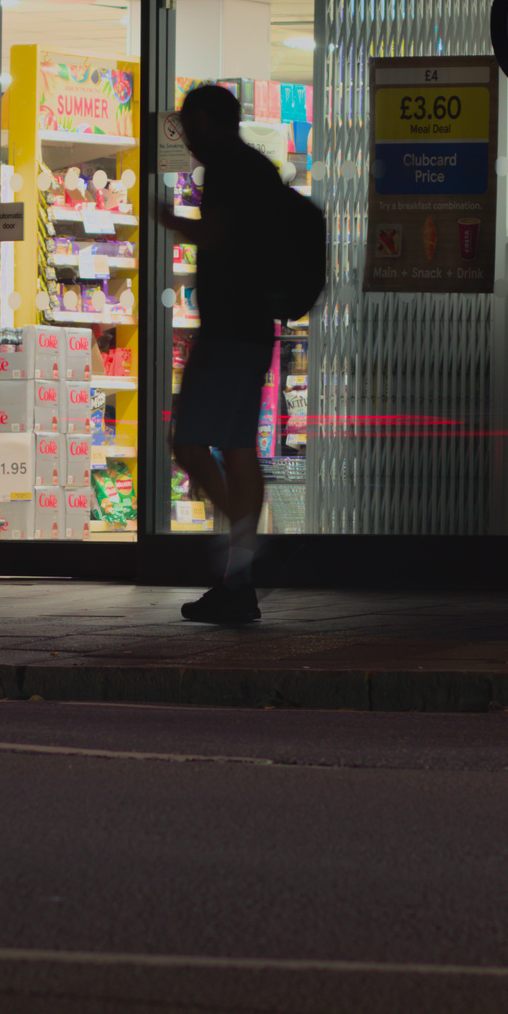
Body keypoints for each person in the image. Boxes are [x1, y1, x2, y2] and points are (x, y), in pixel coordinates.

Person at [161, 82, 284, 622]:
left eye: (189, 126)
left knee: (187, 442)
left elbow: (215, 235)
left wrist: (166, 219)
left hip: (228, 332)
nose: (186, 138)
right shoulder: (259, 169)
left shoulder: (229, 171)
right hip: (254, 330)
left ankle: (240, 549)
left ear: (207, 122)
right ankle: (239, 577)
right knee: (236, 449)